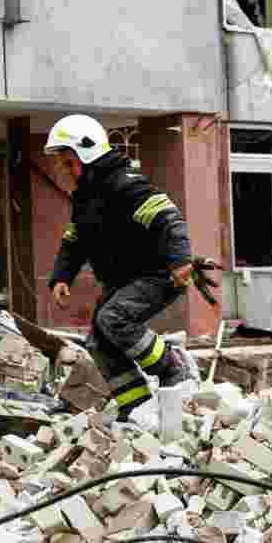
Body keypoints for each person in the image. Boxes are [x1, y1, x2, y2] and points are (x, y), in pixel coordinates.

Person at [44, 113, 203, 419]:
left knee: (113, 318)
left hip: (157, 274)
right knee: (100, 342)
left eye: (67, 162)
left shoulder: (123, 185)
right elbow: (75, 239)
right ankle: (137, 408)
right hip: (124, 280)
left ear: (87, 153)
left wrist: (181, 261)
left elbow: (168, 217)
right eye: (61, 163)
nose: (63, 170)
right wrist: (62, 276)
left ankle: (173, 367)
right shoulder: (85, 197)